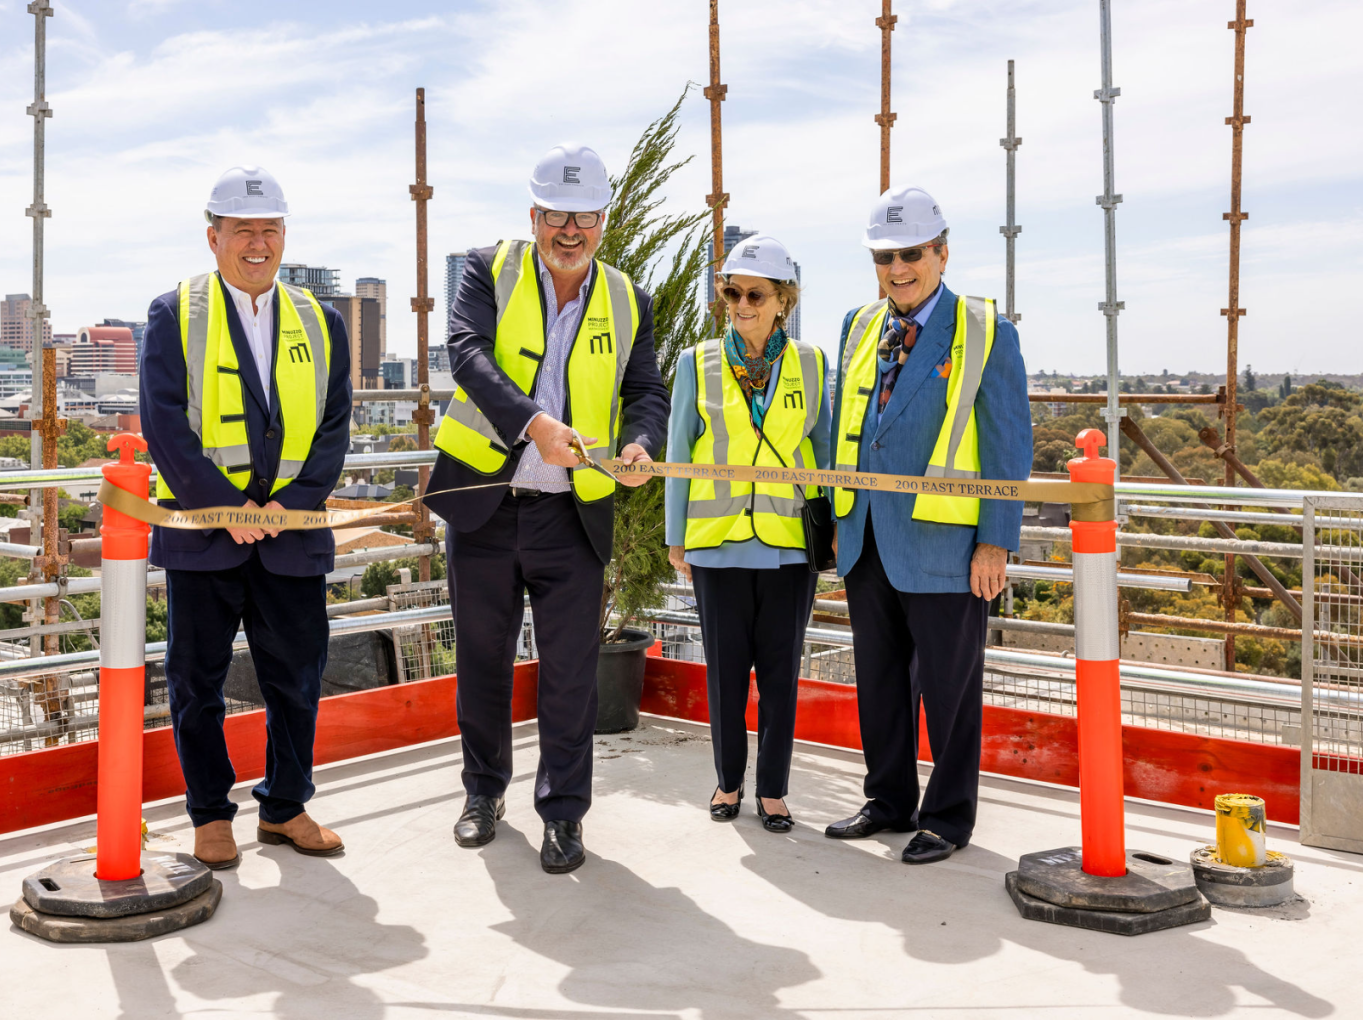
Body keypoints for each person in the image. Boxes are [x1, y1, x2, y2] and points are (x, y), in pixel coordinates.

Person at [424, 143, 669, 874]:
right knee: (483, 660)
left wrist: (640, 443)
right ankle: (482, 794)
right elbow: (467, 352)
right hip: (487, 505)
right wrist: (536, 425)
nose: (571, 229)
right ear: (533, 216)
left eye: (586, 216)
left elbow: (645, 390)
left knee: (570, 674)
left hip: (574, 513)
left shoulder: (628, 299)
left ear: (604, 221)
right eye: (557, 215)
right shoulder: (487, 270)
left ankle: (564, 814)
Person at [141, 166, 353, 869]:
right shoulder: (176, 312)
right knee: (196, 681)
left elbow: (334, 426)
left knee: (297, 674)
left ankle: (286, 806)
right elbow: (163, 424)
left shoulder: (322, 321)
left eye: (270, 230)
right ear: (214, 238)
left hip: (292, 538)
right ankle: (210, 814)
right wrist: (223, 508)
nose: (257, 244)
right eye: (242, 231)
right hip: (204, 536)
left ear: (284, 236)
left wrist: (287, 509)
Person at [824, 185, 1031, 864]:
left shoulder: (985, 332)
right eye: (885, 257)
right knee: (879, 683)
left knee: (949, 691)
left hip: (947, 544)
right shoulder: (860, 325)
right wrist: (837, 519)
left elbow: (1007, 443)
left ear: (942, 253)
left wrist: (996, 539)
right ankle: (887, 800)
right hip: (868, 538)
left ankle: (946, 817)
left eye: (911, 254)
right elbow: (845, 437)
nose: (897, 269)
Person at [664, 235, 829, 832]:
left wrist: (827, 534)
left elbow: (824, 449)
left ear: (782, 299)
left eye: (754, 294)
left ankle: (775, 791)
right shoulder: (696, 362)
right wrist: (675, 535)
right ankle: (728, 782)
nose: (740, 303)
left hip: (788, 546)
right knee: (726, 674)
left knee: (781, 675)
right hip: (717, 542)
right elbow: (679, 450)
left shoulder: (811, 363)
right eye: (730, 292)